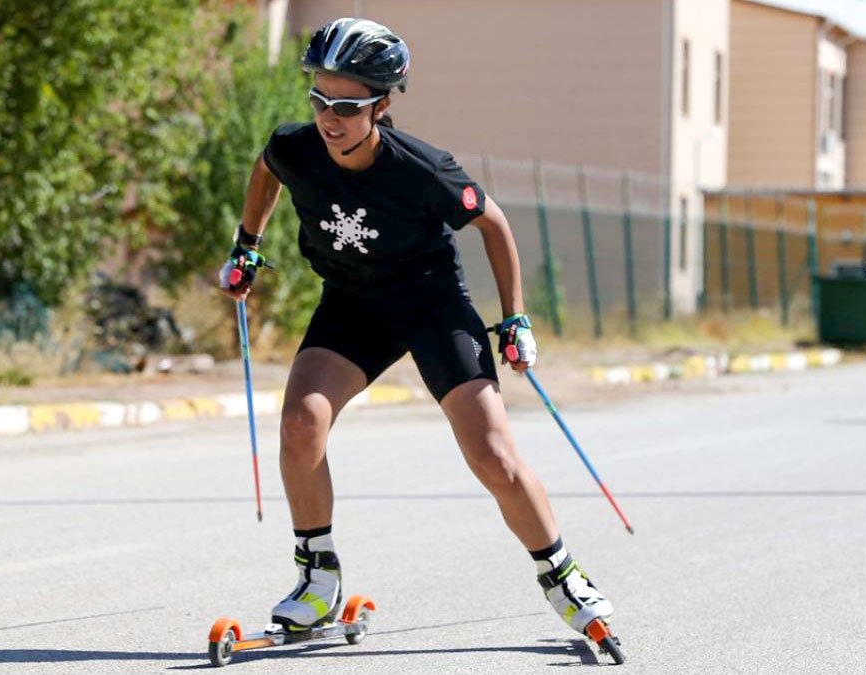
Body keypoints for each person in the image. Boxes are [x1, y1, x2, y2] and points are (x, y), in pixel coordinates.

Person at [217, 17, 614, 640]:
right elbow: (267, 171)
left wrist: (514, 318)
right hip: (352, 304)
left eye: (347, 105)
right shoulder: (296, 148)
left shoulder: (423, 169)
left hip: (431, 305)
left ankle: (563, 576)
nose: (329, 117)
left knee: (491, 453)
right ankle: (318, 576)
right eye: (319, 98)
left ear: (380, 104)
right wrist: (247, 247)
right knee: (301, 422)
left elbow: (495, 225)